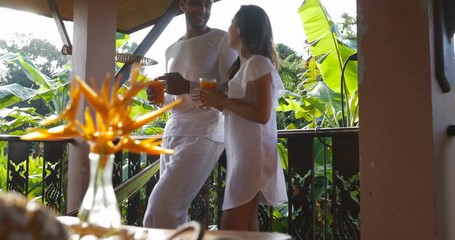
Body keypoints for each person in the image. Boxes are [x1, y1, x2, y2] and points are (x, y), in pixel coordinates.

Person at [142, 0, 237, 229]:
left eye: (207, 4)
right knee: (174, 212)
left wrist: (189, 86)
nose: (202, 10)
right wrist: (159, 99)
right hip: (174, 130)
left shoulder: (221, 40)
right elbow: (177, 99)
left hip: (206, 131)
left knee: (160, 207)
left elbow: (233, 87)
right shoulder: (170, 49)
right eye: (196, 3)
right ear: (183, 4)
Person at [198, 5, 288, 231]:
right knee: (247, 227)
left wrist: (223, 100)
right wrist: (217, 103)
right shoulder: (245, 66)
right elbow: (242, 111)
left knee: (231, 228)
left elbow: (261, 114)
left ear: (241, 29)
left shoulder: (258, 63)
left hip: (253, 157)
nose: (227, 28)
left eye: (231, 23)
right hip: (244, 155)